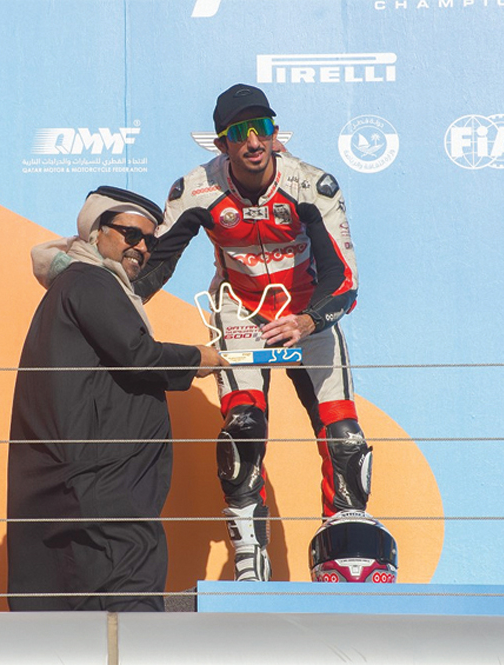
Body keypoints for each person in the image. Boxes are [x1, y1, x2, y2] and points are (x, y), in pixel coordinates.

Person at [133, 84, 377, 583]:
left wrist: (308, 320)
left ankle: (345, 550)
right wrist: (105, 306)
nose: (253, 142)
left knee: (345, 436)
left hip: (307, 314)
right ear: (221, 144)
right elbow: (154, 269)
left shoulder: (311, 184)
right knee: (243, 429)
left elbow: (345, 280)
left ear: (274, 133)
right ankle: (250, 559)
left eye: (261, 129)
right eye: (239, 134)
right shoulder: (196, 189)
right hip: (242, 313)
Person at [7, 186, 228, 612]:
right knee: (127, 609)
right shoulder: (92, 280)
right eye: (130, 234)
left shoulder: (77, 283)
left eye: (150, 240)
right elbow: (137, 354)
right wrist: (197, 358)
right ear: (96, 233)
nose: (141, 247)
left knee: (71, 617)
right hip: (101, 489)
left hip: (83, 487)